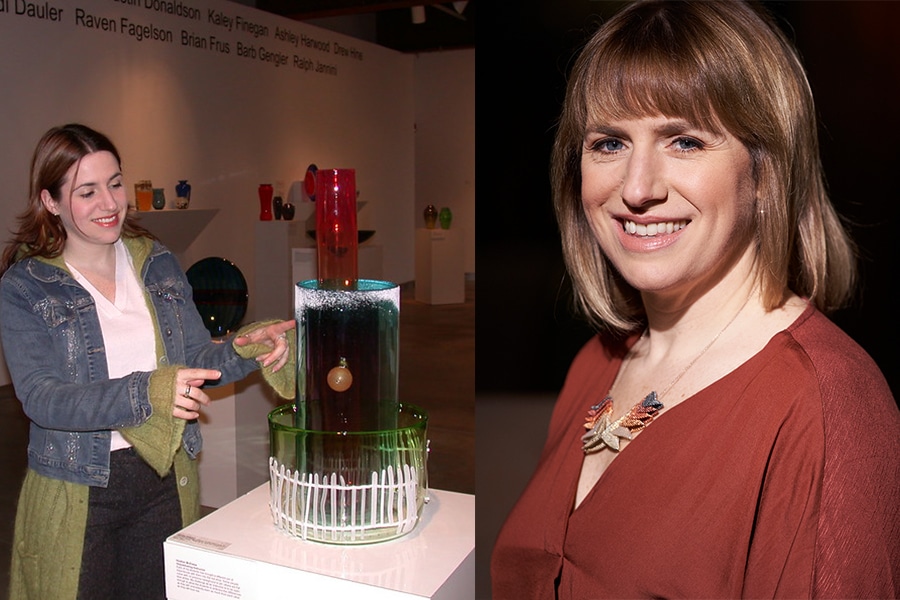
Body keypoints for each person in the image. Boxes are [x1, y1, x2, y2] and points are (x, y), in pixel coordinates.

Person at [490, 2, 900, 598]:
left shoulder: (826, 406)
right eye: (609, 143)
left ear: (765, 173)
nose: (636, 188)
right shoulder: (597, 362)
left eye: (683, 141)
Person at [0, 123, 296, 599]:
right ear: (51, 202)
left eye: (115, 183)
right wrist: (146, 392)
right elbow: (42, 398)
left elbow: (197, 359)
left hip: (163, 479)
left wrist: (245, 347)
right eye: (87, 191)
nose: (110, 203)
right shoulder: (26, 286)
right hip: (80, 488)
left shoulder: (155, 261)